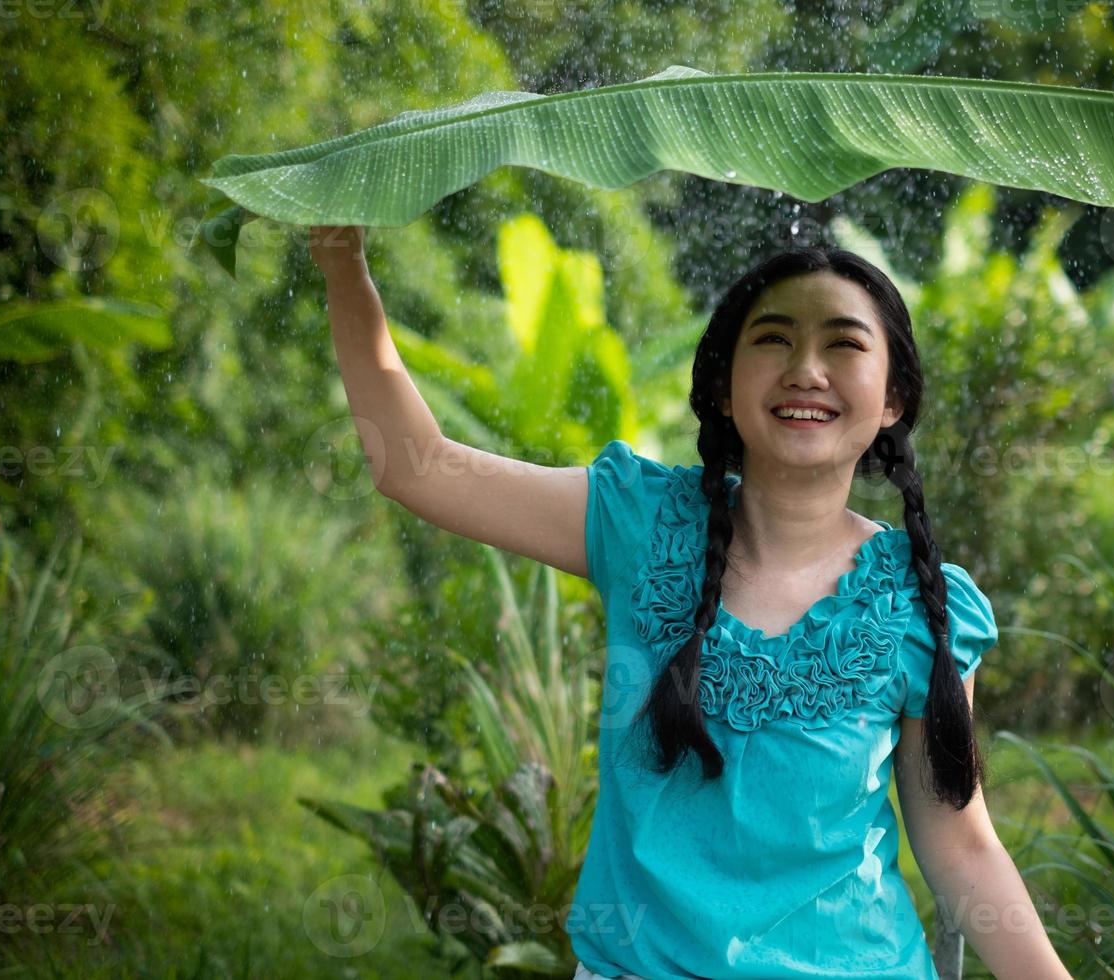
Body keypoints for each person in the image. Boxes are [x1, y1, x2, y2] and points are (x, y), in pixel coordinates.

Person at [309, 223, 1072, 980]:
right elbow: (420, 468)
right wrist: (347, 267)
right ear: (721, 385)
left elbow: (961, 847)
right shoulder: (636, 523)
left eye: (844, 343)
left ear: (894, 396)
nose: (807, 369)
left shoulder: (923, 605)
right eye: (772, 339)